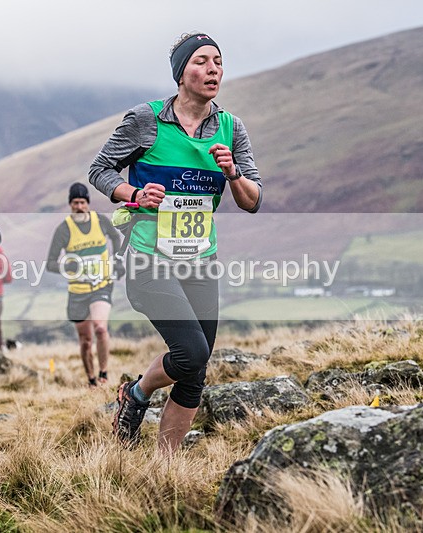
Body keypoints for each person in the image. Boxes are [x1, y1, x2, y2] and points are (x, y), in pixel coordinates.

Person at [89, 32, 263, 453]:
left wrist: (233, 173)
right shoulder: (145, 120)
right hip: (150, 259)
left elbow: (253, 200)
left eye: (218, 62)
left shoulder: (230, 128)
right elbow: (99, 170)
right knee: (190, 353)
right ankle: (135, 394)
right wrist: (133, 194)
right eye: (202, 61)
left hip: (200, 261)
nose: (213, 70)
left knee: (196, 369)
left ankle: (164, 467)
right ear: (181, 73)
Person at [46, 182, 125, 388]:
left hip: (102, 284)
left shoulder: (101, 221)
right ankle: (91, 379)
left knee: (100, 327)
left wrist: (117, 260)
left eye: (82, 202)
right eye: (74, 203)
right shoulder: (64, 229)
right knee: (85, 340)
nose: (79, 207)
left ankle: (104, 374)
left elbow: (116, 237)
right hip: (78, 290)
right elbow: (51, 263)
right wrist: (71, 268)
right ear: (70, 205)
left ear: (88, 203)